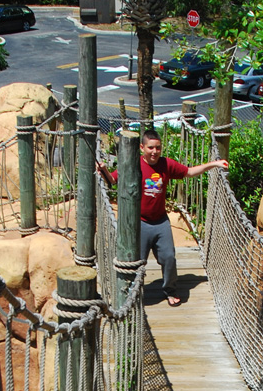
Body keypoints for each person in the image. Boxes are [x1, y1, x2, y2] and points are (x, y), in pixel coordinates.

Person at [98, 129, 228, 306]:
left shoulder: (166, 164)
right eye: (150, 148)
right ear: (142, 147)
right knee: (136, 262)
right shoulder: (133, 163)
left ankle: (170, 290)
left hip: (160, 221)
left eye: (158, 148)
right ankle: (131, 294)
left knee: (168, 257)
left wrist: (214, 164)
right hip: (140, 222)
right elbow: (112, 181)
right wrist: (104, 170)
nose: (154, 152)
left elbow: (189, 172)